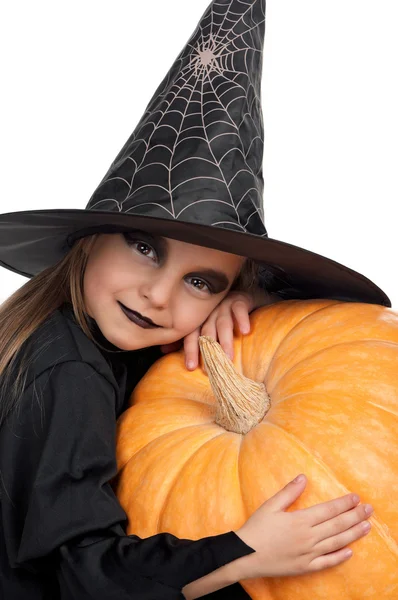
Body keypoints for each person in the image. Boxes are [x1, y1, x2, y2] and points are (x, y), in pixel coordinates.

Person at [0, 0, 388, 598]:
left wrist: (251, 299)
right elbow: (85, 576)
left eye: (201, 281)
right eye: (144, 248)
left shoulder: (94, 334)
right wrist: (245, 552)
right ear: (89, 238)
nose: (158, 296)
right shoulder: (66, 371)